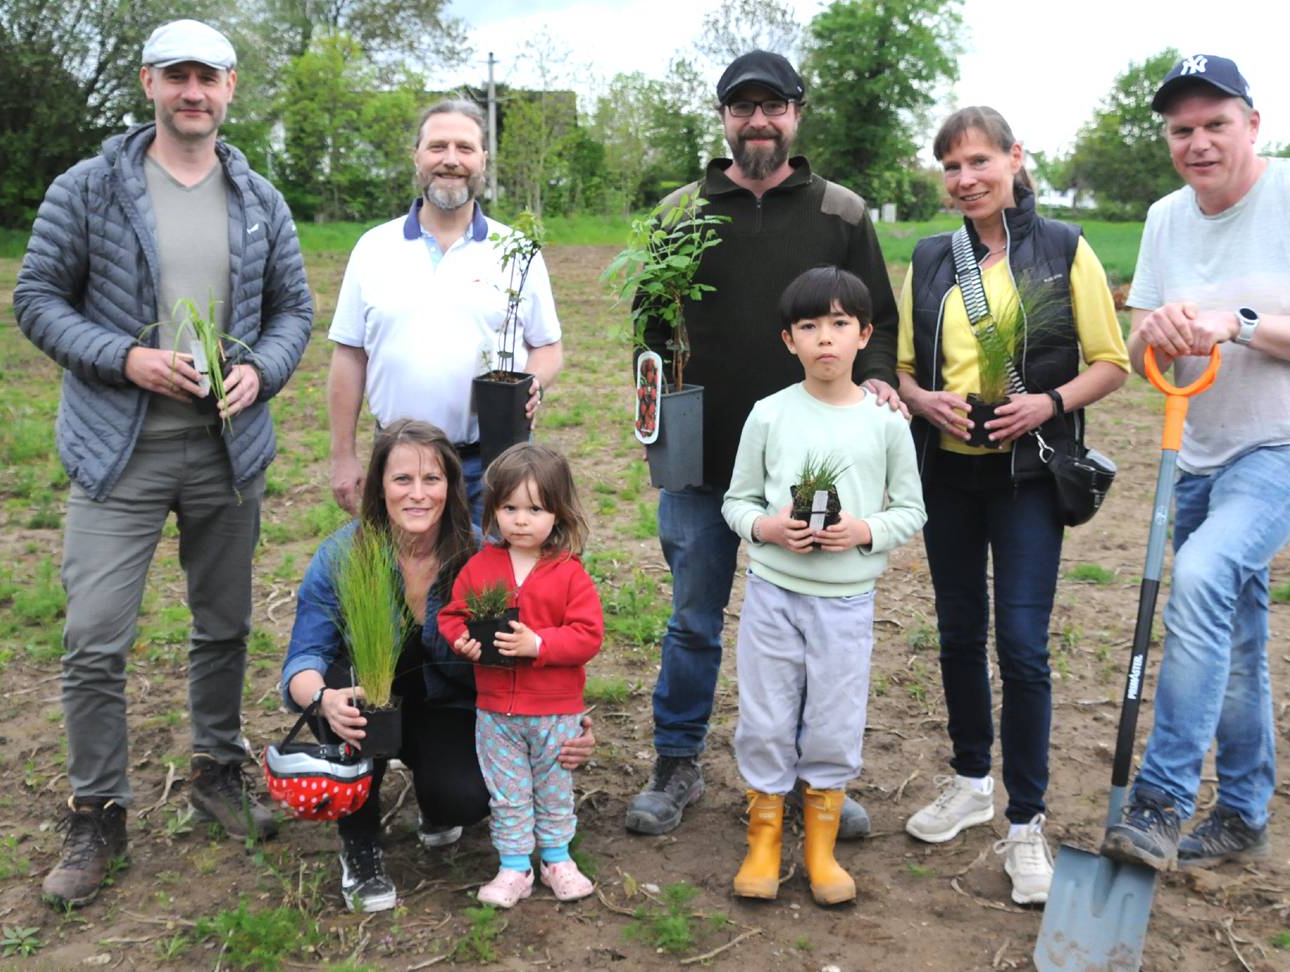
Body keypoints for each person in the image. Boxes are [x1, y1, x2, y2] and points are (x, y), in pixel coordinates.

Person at [12, 18, 313, 909]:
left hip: (228, 453)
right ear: (148, 83)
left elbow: (294, 308)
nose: (194, 92)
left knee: (222, 625)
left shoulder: (258, 197)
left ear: (230, 89)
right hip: (121, 451)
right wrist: (125, 356)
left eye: (209, 78)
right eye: (177, 76)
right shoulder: (90, 188)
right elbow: (34, 298)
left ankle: (218, 770)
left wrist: (261, 369)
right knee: (95, 638)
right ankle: (98, 810)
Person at [1099, 55, 1290, 872]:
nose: (1198, 143)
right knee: (1234, 630)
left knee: (1203, 576)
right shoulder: (1164, 218)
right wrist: (1168, 326)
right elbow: (1145, 320)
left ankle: (1158, 802)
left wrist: (1236, 322)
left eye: (1216, 124)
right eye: (1181, 130)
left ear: (1252, 125)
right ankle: (1247, 811)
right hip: (1201, 449)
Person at [627, 49, 906, 839]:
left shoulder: (841, 214)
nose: (758, 121)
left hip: (814, 463)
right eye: (742, 108)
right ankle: (677, 761)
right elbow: (649, 330)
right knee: (693, 619)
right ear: (723, 119)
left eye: (772, 106)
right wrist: (653, 411)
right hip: (703, 458)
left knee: (817, 627)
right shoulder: (680, 213)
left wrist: (878, 382)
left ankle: (810, 781)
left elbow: (875, 321)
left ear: (796, 113)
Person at [894, 107, 1130, 905]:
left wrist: (1049, 403)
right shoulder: (929, 259)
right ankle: (971, 781)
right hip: (949, 477)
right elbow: (899, 371)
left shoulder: (1064, 248)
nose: (966, 180)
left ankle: (1025, 823)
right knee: (959, 633)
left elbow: (1111, 361)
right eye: (952, 167)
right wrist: (923, 402)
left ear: (1013, 159)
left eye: (979, 162)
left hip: (1028, 478)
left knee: (1022, 646)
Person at [281, 421, 597, 912]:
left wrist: (568, 718)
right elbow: (304, 657)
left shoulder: (484, 554)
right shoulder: (344, 554)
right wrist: (323, 699)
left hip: (450, 704)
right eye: (402, 479)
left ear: (452, 486)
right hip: (368, 710)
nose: (418, 494)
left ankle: (436, 803)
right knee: (341, 679)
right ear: (378, 485)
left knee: (464, 800)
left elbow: (539, 642)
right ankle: (360, 843)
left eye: (432, 479)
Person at [721, 267, 926, 906]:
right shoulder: (769, 415)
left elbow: (912, 511)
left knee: (835, 719)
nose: (825, 339)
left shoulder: (887, 422)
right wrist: (769, 528)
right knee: (766, 714)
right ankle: (763, 837)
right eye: (809, 327)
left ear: (865, 334)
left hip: (847, 601)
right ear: (789, 341)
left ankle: (820, 846)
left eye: (840, 324)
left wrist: (864, 530)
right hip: (772, 596)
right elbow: (737, 500)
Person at [327, 99, 563, 524]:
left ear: (483, 160)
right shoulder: (374, 248)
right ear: (416, 156)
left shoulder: (517, 251)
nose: (451, 160)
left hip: (489, 467)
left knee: (486, 588)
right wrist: (343, 456)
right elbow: (349, 356)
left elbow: (547, 347)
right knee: (402, 586)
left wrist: (534, 385)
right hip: (399, 468)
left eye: (465, 148)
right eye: (437, 147)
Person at [440, 444, 604, 907]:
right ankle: (514, 867)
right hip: (496, 711)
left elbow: (588, 635)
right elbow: (454, 615)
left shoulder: (569, 574)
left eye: (535, 509)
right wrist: (462, 641)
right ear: (492, 510)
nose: (521, 520)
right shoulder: (482, 566)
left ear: (558, 513)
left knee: (553, 787)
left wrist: (541, 645)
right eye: (509, 508)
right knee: (508, 792)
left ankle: (556, 858)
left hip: (554, 709)